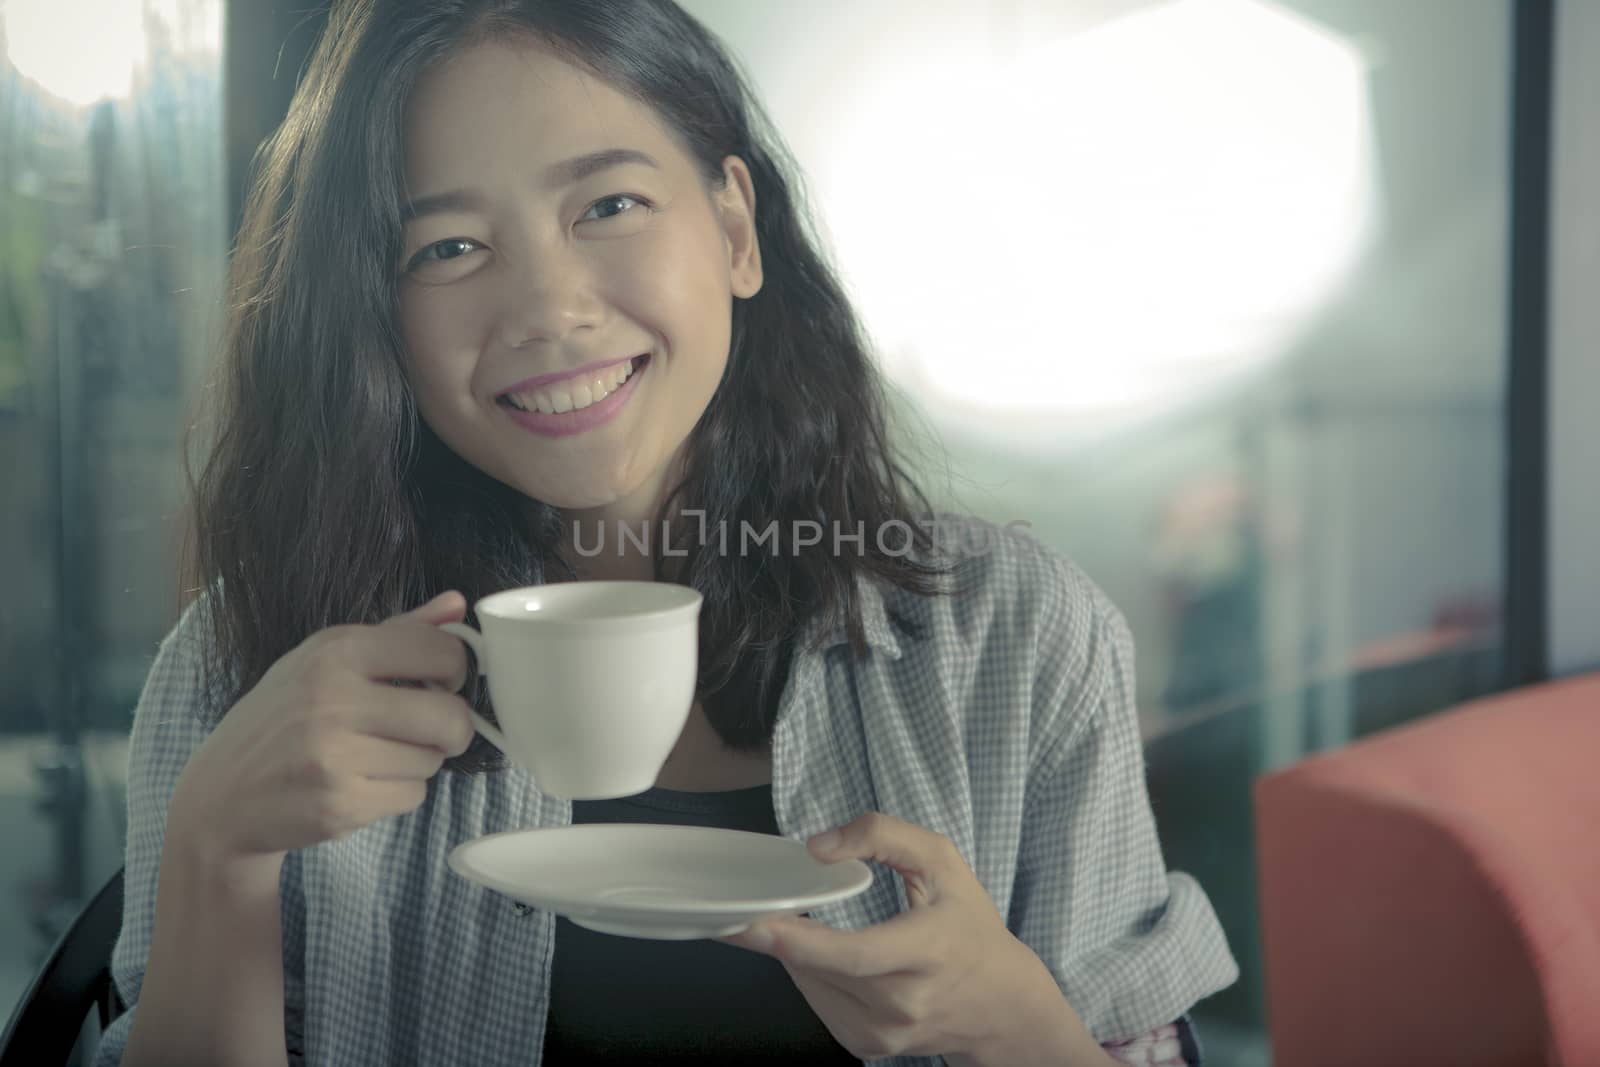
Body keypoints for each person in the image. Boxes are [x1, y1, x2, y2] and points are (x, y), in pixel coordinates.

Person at [99, 1, 1238, 1064]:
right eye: (445, 248)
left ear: (735, 228)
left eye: (608, 206)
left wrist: (1014, 1017)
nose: (548, 306)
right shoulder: (246, 664)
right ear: (374, 315)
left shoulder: (1015, 635)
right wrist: (216, 851)